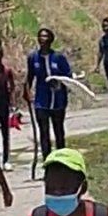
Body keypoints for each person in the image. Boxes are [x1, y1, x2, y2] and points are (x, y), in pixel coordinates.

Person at [25, 28, 75, 163]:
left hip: (58, 100)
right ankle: (47, 161)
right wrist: (27, 92)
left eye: (45, 36)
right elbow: (30, 77)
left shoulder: (59, 58)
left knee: (59, 131)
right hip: (41, 101)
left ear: (51, 39)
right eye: (40, 36)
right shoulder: (33, 58)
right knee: (44, 131)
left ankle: (62, 160)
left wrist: (59, 83)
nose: (43, 39)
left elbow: (68, 78)